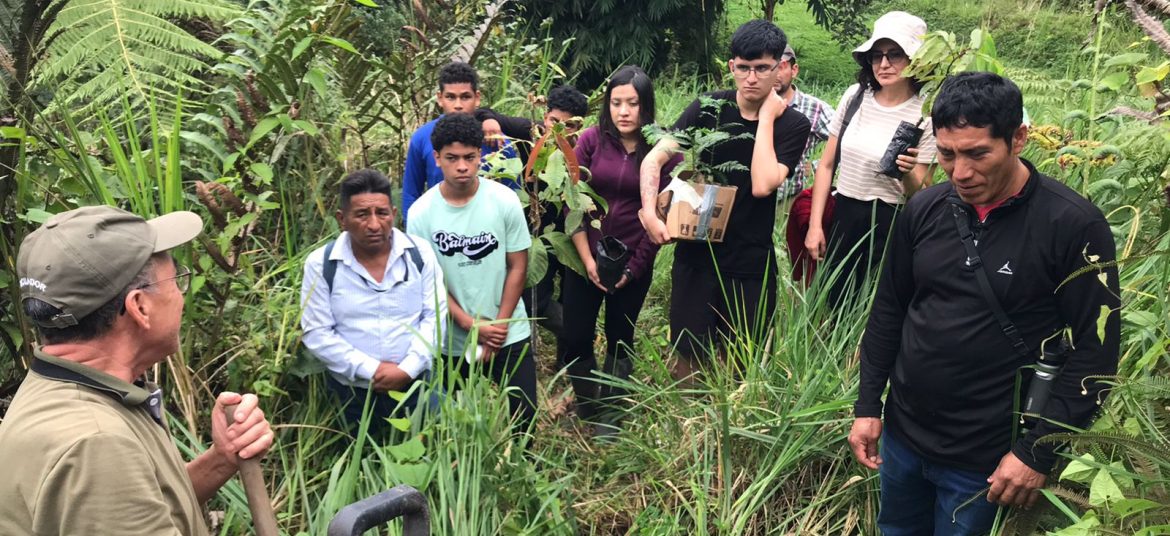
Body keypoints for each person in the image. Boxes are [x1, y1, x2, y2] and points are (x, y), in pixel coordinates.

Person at [849, 72, 1121, 535]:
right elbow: (890, 310)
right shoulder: (925, 208)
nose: (960, 172)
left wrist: (1035, 452)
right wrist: (868, 405)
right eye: (948, 153)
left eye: (978, 153)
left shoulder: (1072, 225)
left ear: (1018, 139)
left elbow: (1097, 356)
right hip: (902, 438)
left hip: (988, 463)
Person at [0, 206, 274, 534]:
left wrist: (221, 459)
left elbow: (133, 511)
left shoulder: (71, 389)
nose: (181, 297)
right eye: (177, 279)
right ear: (140, 307)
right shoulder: (96, 444)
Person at [638, 20, 812, 377]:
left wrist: (765, 119)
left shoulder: (792, 124)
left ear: (780, 67)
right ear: (731, 66)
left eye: (762, 68)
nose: (751, 78)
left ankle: (735, 427)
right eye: (743, 67)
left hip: (750, 261)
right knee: (687, 359)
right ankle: (688, 428)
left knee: (742, 361)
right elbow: (654, 159)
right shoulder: (708, 108)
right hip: (696, 254)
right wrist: (649, 212)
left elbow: (763, 184)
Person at [559, 66, 682, 436]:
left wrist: (634, 266)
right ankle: (589, 404)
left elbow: (661, 216)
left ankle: (610, 416)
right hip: (585, 255)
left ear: (646, 106)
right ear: (607, 105)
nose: (624, 111)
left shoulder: (664, 152)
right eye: (616, 103)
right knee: (576, 334)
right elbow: (572, 201)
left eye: (633, 103)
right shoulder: (591, 140)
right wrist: (585, 260)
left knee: (620, 337)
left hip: (633, 259)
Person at [407, 113, 537, 435]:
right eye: (452, 158)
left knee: (525, 416)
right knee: (449, 423)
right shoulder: (421, 214)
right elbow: (429, 284)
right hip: (452, 337)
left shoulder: (504, 201)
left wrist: (499, 326)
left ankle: (523, 472)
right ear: (437, 159)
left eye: (469, 157)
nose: (462, 166)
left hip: (509, 330)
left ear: (481, 155)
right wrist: (472, 325)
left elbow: (518, 265)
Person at [803, 11, 938, 307]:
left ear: (916, 60)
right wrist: (816, 225)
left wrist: (907, 172)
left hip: (891, 222)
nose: (884, 64)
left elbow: (923, 193)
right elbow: (827, 165)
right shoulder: (855, 97)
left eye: (895, 55)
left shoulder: (926, 113)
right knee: (834, 302)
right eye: (877, 55)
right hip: (845, 213)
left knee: (878, 306)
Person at [301, 169, 447, 435]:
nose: (374, 224)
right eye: (361, 214)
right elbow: (317, 332)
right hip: (352, 395)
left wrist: (407, 369)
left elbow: (434, 317)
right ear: (341, 219)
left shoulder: (420, 254)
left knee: (429, 460)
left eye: (382, 213)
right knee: (361, 464)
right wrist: (373, 370)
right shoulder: (321, 264)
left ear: (393, 213)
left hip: (417, 386)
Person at [476, 85, 590, 336]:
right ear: (545, 115)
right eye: (553, 121)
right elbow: (484, 112)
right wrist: (491, 122)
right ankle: (573, 332)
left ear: (579, 126)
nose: (557, 130)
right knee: (535, 298)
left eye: (568, 125)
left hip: (573, 229)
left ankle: (571, 354)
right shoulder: (529, 131)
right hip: (534, 228)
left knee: (573, 293)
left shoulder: (585, 147)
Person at [401, 61, 516, 224]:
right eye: (450, 97)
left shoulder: (497, 141)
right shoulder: (421, 138)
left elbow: (514, 195)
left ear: (477, 98)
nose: (458, 105)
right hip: (438, 233)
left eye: (465, 97)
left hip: (488, 236)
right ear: (440, 98)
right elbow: (411, 194)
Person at [775, 45, 835, 201]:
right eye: (767, 67)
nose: (774, 74)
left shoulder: (815, 108)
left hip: (788, 202)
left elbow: (847, 144)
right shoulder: (752, 105)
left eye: (780, 67)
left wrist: (817, 166)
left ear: (794, 70)